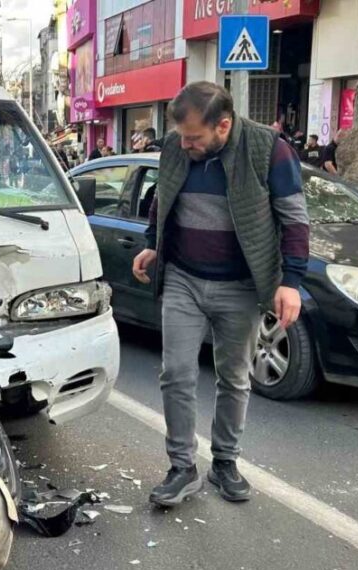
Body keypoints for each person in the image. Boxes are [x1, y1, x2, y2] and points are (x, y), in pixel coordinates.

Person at [133, 81, 309, 507]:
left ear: (224, 126)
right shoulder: (176, 146)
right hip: (183, 279)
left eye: (194, 138)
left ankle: (225, 462)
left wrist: (292, 281)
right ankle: (182, 468)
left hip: (241, 286)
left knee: (234, 377)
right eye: (181, 136)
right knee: (176, 373)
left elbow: (295, 218)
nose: (185, 145)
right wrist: (153, 243)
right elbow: (163, 198)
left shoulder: (269, 150)